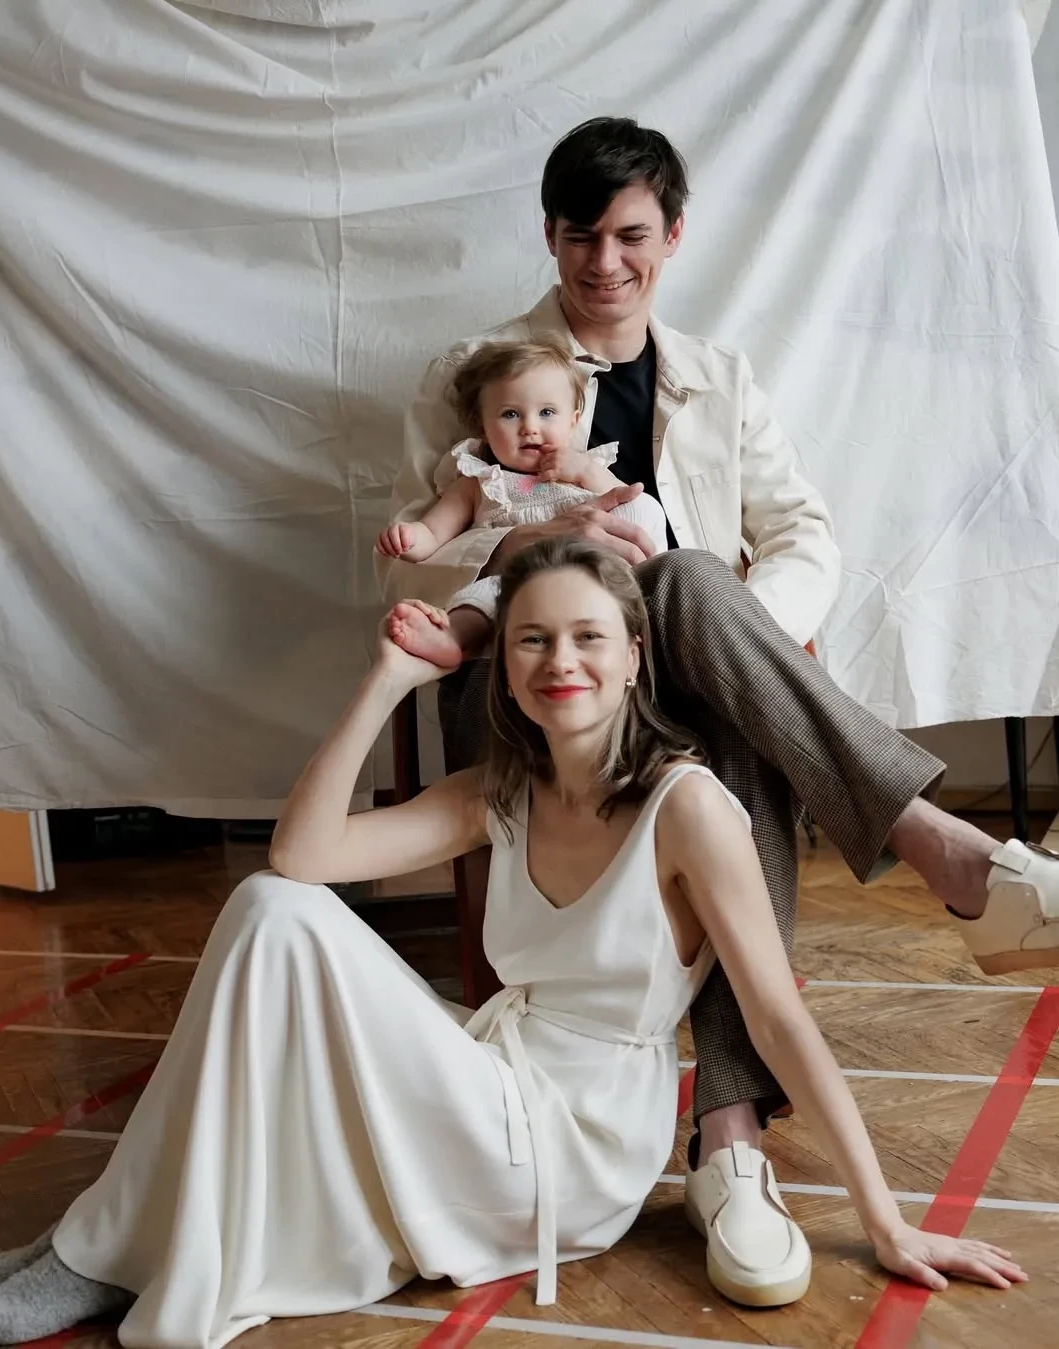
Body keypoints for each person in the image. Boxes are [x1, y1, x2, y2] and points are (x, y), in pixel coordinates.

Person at [0, 540, 1027, 1348]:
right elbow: (303, 855)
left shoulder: (689, 808)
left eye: (587, 636)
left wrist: (887, 1222)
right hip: (496, 1072)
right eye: (532, 640)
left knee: (272, 913)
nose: (559, 659)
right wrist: (387, 679)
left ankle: (102, 1245)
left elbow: (780, 1019)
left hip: (577, 1140)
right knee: (271, 904)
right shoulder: (499, 792)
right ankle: (111, 1235)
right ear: (507, 671)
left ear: (634, 659)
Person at [376, 116, 1059, 1303]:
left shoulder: (720, 378)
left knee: (706, 617)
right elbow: (419, 559)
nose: (605, 261)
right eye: (581, 235)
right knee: (697, 604)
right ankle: (933, 850)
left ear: (673, 236)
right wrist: (542, 544)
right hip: (547, 676)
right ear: (550, 235)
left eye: (630, 235)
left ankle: (731, 1137)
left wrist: (747, 621)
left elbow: (803, 533)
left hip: (691, 667)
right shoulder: (478, 373)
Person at [375, 337, 667, 668]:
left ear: (572, 422)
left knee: (644, 506)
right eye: (511, 414)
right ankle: (453, 639)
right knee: (484, 596)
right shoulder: (478, 482)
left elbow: (626, 502)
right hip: (521, 585)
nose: (530, 427)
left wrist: (586, 471)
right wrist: (408, 537)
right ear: (484, 429)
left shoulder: (586, 470)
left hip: (596, 578)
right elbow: (433, 532)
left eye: (547, 413)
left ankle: (641, 618)